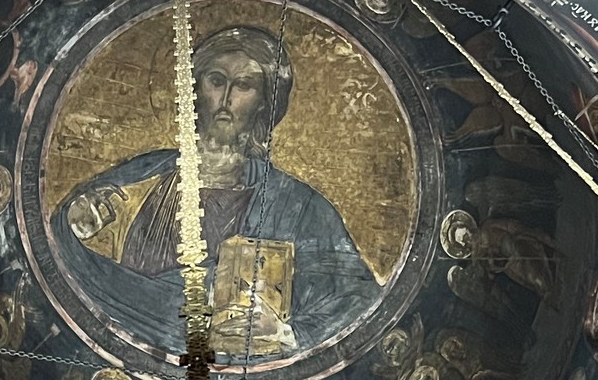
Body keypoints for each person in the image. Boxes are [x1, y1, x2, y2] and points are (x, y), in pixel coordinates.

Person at [51, 24, 377, 355]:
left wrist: (285, 333)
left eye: (244, 85)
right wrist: (74, 222)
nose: (226, 98)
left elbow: (358, 297)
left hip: (237, 369)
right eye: (217, 81)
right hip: (124, 352)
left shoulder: (297, 205)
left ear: (263, 102)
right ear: (196, 90)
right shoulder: (142, 176)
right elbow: (60, 246)